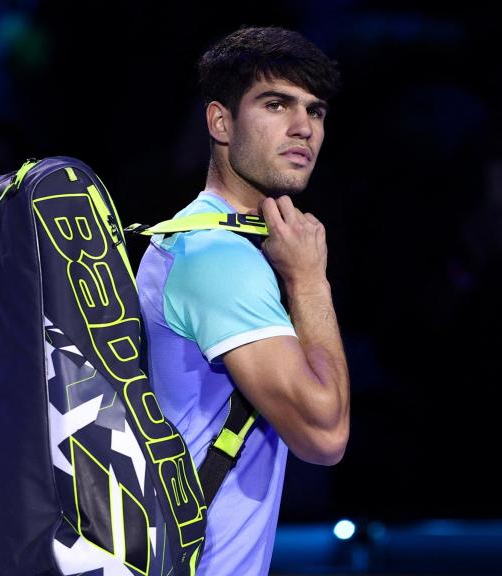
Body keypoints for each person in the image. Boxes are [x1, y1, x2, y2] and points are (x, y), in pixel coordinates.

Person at [136, 25, 351, 575]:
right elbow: (324, 434)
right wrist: (310, 282)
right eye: (276, 104)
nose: (303, 127)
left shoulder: (208, 241)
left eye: (316, 110)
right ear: (221, 122)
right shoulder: (216, 259)